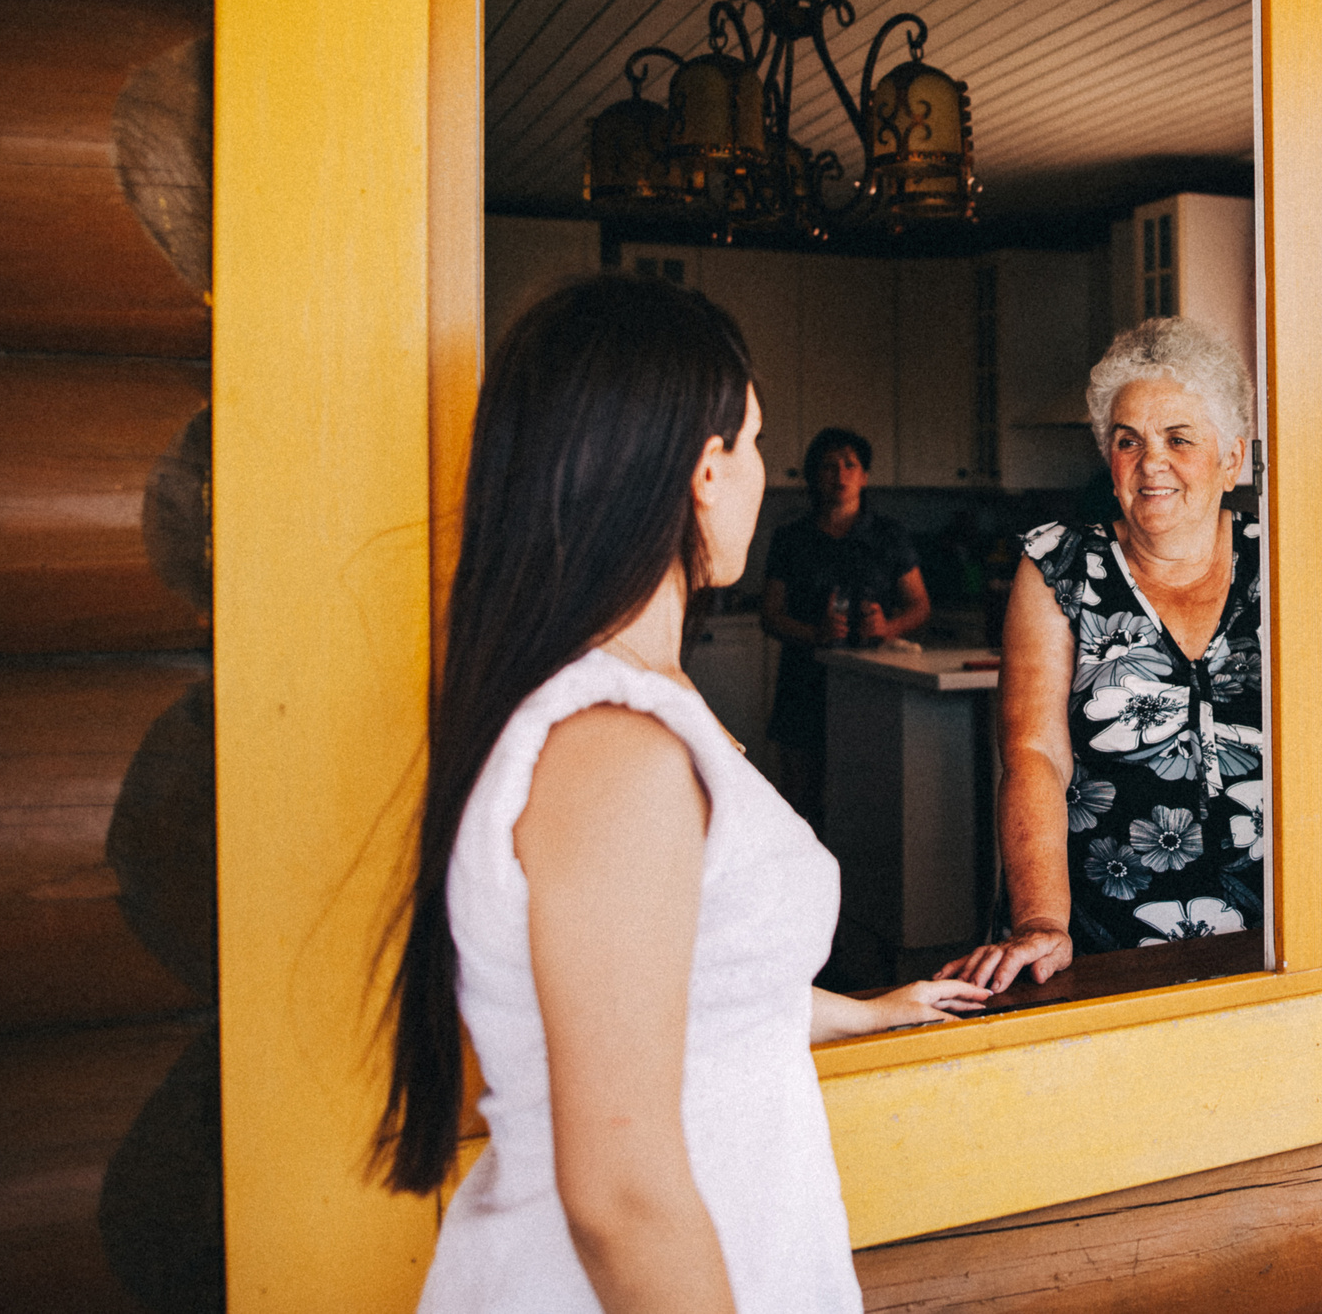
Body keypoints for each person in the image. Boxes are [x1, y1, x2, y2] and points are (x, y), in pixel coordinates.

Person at [379, 276, 986, 1314]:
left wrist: (859, 1012)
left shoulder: (631, 708)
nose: (764, 472)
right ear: (707, 472)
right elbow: (621, 1196)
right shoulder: (615, 749)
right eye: (753, 442)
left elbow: (676, 995)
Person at [939, 317, 1264, 993]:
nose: (1152, 463)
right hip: (1096, 943)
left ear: (1231, 458)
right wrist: (1039, 921)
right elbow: (1034, 752)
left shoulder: (1282, 556)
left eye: (1179, 439)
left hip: (1272, 939)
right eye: (1128, 440)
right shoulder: (1061, 565)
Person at [757, 428, 932, 828]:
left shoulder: (889, 536)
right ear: (814, 477)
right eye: (828, 466)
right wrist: (812, 633)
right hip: (803, 678)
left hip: (872, 678)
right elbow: (770, 614)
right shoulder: (791, 538)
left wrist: (888, 627)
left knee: (864, 791)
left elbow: (920, 606)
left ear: (865, 476)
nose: (840, 474)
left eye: (850, 465)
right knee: (799, 796)